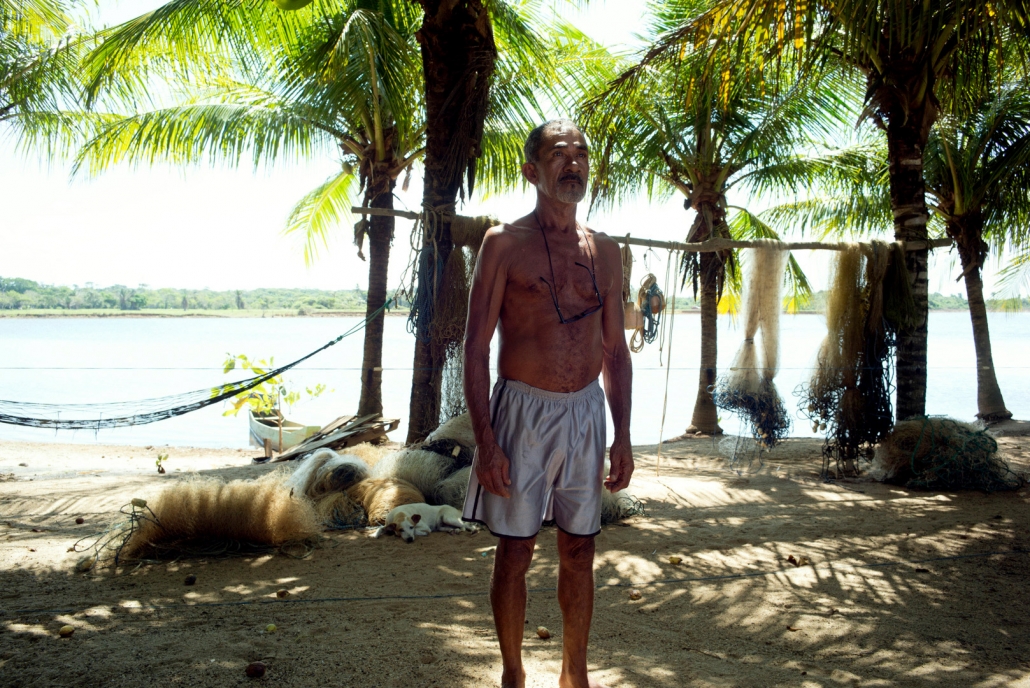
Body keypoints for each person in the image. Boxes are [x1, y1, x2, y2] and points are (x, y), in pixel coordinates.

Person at [462, 118, 633, 688]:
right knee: (515, 551)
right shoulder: (504, 244)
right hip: (522, 412)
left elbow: (616, 351)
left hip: (585, 411)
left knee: (580, 549)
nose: (573, 161)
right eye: (559, 153)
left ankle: (573, 674)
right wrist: (486, 442)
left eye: (581, 152)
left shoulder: (605, 251)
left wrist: (622, 436)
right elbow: (475, 348)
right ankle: (513, 673)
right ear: (531, 171)